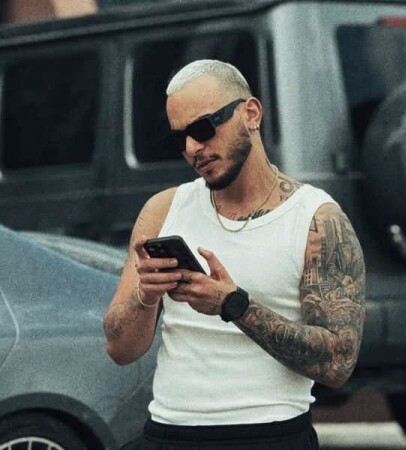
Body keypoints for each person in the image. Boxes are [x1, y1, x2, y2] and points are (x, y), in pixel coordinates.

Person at [103, 59, 365, 450]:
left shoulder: (316, 219)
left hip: (267, 435)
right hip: (168, 432)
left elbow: (337, 364)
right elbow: (119, 350)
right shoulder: (163, 209)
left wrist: (234, 305)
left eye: (203, 128)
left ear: (251, 113)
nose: (192, 148)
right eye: (180, 138)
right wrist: (145, 296)